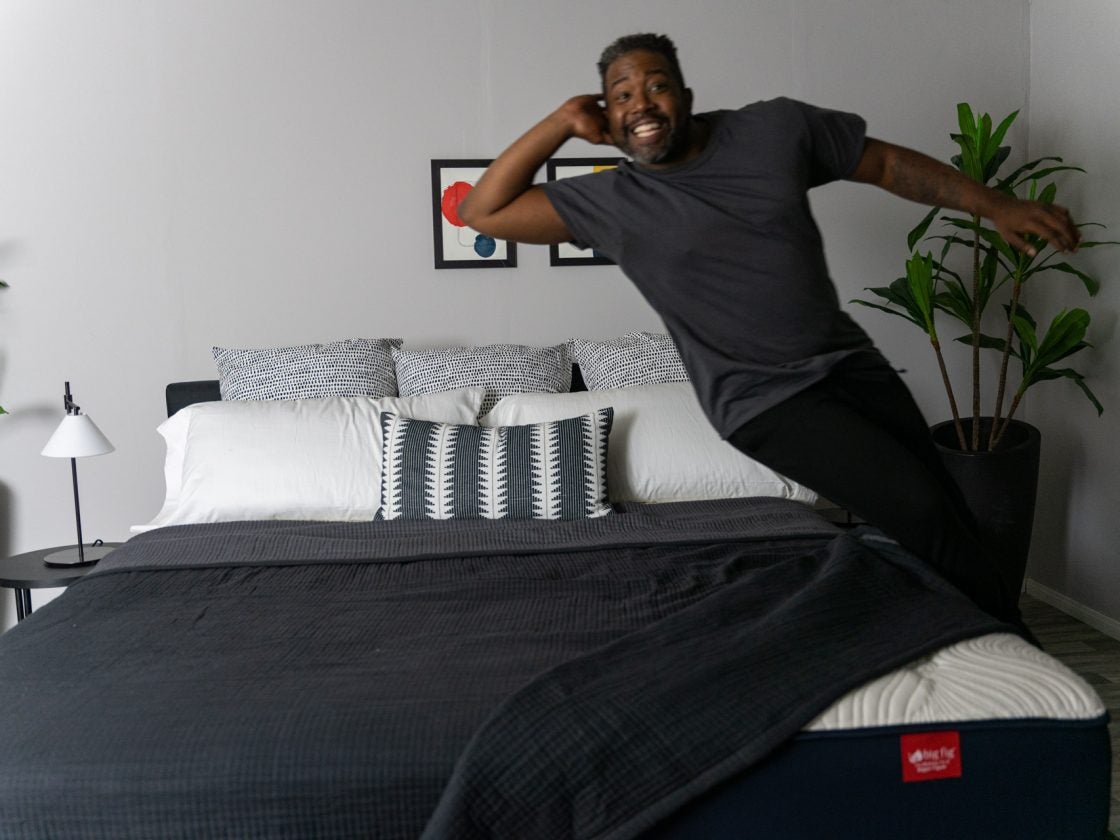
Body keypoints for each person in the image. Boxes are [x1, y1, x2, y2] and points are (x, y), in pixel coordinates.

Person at [457, 33, 1080, 624]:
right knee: (917, 507)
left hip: (850, 363)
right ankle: (1009, 639)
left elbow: (886, 164)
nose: (640, 103)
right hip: (762, 400)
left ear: (686, 94)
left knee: (943, 503)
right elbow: (481, 210)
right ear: (607, 118)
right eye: (620, 95)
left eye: (656, 85)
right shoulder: (612, 202)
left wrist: (995, 204)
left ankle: (945, 630)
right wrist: (562, 120)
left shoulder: (772, 130)